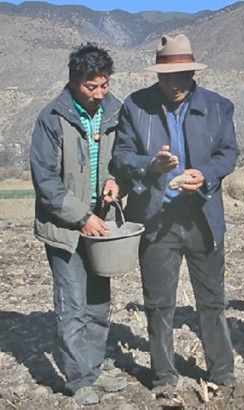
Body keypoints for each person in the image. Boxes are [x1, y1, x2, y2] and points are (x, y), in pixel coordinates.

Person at [112, 34, 239, 392]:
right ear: (158, 75)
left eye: (183, 75)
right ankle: (165, 377)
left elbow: (229, 153)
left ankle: (222, 372)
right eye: (168, 76)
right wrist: (151, 166)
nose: (176, 83)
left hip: (202, 218)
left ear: (193, 73)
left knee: (212, 301)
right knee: (158, 304)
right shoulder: (135, 107)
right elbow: (121, 156)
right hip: (156, 219)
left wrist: (206, 174)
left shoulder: (218, 107)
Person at [29, 43, 126, 405]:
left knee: (98, 302)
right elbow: (46, 181)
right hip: (66, 227)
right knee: (72, 304)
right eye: (91, 86)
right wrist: (82, 217)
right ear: (74, 82)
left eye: (105, 84)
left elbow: (124, 158)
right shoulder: (52, 118)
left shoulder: (115, 112)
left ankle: (95, 368)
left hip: (101, 225)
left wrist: (117, 181)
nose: (100, 93)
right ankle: (79, 378)